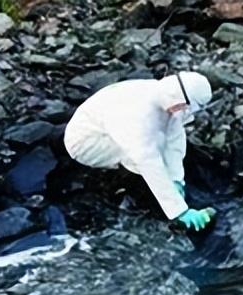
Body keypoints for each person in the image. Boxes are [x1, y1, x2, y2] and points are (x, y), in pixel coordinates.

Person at [64, 71, 216, 231]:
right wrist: (179, 211)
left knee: (160, 147)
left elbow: (174, 138)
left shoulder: (164, 98)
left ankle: (167, 198)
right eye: (184, 107)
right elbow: (148, 161)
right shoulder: (136, 113)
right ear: (179, 102)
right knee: (141, 158)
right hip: (86, 142)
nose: (183, 111)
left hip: (113, 131)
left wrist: (177, 179)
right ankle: (157, 210)